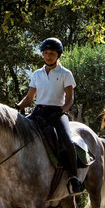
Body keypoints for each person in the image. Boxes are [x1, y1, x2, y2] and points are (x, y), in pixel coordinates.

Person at [17, 37, 84, 194]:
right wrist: (18, 106)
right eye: (45, 53)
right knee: (19, 134)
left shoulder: (65, 74)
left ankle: (74, 178)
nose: (48, 56)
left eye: (52, 53)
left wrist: (62, 111)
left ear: (58, 54)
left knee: (67, 141)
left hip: (57, 113)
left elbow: (70, 99)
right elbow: (29, 98)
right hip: (38, 111)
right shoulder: (37, 74)